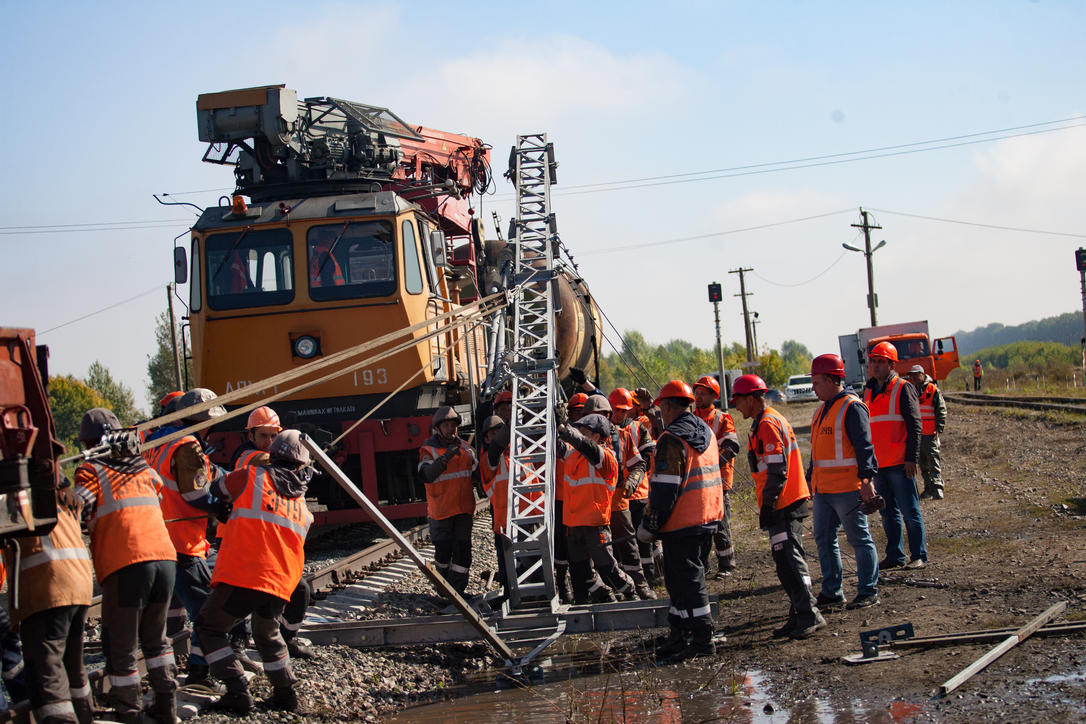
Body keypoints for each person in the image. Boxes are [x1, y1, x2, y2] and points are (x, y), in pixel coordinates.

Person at [195, 430, 314, 715]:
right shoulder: (301, 504)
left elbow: (216, 489)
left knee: (209, 628)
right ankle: (285, 694)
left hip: (245, 574)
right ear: (301, 465)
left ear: (272, 455)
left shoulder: (251, 476)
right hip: (281, 583)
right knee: (267, 633)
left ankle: (236, 689)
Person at [73, 408, 180, 723]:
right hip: (165, 560)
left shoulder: (91, 471)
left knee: (121, 645)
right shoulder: (144, 469)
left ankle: (129, 709)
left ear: (89, 443)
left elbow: (78, 510)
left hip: (127, 563)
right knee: (156, 640)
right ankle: (167, 706)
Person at [144, 388, 227, 689]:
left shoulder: (158, 442)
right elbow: (194, 493)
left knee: (170, 611)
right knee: (208, 613)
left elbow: (205, 474)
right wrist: (222, 508)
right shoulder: (187, 445)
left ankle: (171, 671)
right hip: (182, 544)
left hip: (159, 539)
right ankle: (199, 674)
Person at [731, 374, 824, 639]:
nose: (736, 406)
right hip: (783, 500)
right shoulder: (765, 421)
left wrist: (769, 505)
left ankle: (809, 613)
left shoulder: (768, 424)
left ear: (751, 399)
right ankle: (799, 613)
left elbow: (776, 468)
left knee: (790, 561)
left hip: (784, 502)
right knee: (785, 562)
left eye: (738, 400)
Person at [635, 380, 722, 661]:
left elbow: (664, 489)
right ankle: (679, 632)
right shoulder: (705, 431)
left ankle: (702, 638)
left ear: (668, 407)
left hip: (682, 522)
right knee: (680, 581)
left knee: (689, 582)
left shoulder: (671, 440)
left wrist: (650, 525)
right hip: (708, 516)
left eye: (661, 407)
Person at [4, 482, 95, 724]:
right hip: (79, 582)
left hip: (48, 586)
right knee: (73, 667)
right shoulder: (61, 491)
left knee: (46, 674)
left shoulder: (14, 494)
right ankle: (85, 716)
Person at [228, 407, 313, 661]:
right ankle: (238, 644)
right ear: (250, 435)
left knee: (300, 590)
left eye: (273, 436)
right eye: (263, 436)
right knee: (242, 595)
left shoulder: (271, 458)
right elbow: (271, 464)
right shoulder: (247, 457)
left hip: (269, 540)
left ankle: (287, 638)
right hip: (244, 541)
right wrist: (300, 461)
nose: (268, 441)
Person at [807, 354, 881, 611]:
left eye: (816, 382)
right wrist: (810, 478)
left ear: (831, 380)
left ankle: (868, 591)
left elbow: (865, 447)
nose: (813, 388)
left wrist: (867, 480)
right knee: (823, 538)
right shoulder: (821, 410)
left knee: (859, 538)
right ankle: (832, 592)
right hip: (824, 490)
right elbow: (817, 451)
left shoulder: (852, 407)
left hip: (848, 488)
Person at [557, 410, 635, 603]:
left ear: (597, 436)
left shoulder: (605, 456)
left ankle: (630, 591)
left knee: (606, 566)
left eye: (583, 431)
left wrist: (565, 427)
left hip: (594, 522)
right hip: (573, 523)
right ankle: (583, 604)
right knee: (579, 569)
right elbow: (559, 445)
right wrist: (553, 424)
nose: (579, 434)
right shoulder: (573, 454)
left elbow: (586, 446)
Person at [864, 343, 927, 570]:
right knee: (887, 513)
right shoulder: (869, 390)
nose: (876, 365)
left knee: (910, 511)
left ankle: (918, 555)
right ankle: (895, 555)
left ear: (891, 364)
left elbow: (915, 425)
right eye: (873, 361)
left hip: (900, 464)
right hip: (879, 464)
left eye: (881, 361)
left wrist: (912, 458)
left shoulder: (903, 388)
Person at [587, 393, 654, 599]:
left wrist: (632, 483)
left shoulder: (622, 436)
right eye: (594, 415)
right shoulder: (579, 440)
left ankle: (640, 586)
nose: (598, 419)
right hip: (592, 506)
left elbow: (639, 464)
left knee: (628, 547)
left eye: (602, 414)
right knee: (600, 551)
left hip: (617, 502)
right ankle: (610, 589)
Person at [417, 406, 478, 595]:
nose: (451, 429)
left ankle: (457, 593)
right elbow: (427, 475)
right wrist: (445, 458)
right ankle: (443, 588)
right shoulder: (428, 450)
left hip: (463, 511)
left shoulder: (466, 448)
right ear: (438, 428)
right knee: (443, 553)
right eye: (447, 425)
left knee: (462, 553)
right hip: (441, 512)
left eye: (453, 425)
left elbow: (478, 473)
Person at [609, 388, 659, 588]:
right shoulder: (603, 430)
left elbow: (646, 457)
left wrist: (633, 479)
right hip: (617, 498)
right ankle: (627, 579)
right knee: (622, 542)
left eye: (623, 410)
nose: (619, 414)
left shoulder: (638, 428)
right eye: (616, 410)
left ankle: (649, 576)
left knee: (642, 539)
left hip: (638, 494)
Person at [691, 375, 741, 577]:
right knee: (700, 525)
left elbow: (731, 446)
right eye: (697, 393)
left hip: (718, 482)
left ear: (714, 396)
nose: (698, 397)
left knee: (720, 524)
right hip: (697, 483)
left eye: (703, 393)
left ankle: (727, 565)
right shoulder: (690, 418)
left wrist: (711, 464)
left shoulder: (722, 418)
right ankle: (703, 565)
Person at [551, 392, 588, 602]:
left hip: (580, 498)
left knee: (580, 545)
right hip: (560, 497)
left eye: (583, 412)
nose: (580, 416)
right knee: (561, 544)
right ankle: (564, 585)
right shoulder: (565, 433)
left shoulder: (587, 436)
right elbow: (559, 448)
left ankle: (581, 587)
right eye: (576, 412)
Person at [907, 366, 947, 500]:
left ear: (922, 374)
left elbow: (941, 409)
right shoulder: (911, 390)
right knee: (923, 463)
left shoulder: (932, 389)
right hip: (917, 434)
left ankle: (938, 489)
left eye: (916, 374)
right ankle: (928, 488)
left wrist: (939, 428)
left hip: (930, 433)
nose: (913, 377)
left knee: (933, 461)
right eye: (911, 375)